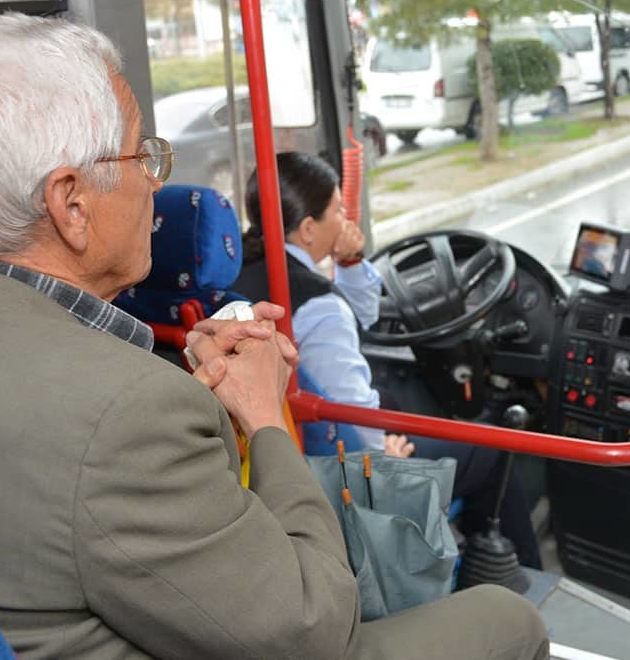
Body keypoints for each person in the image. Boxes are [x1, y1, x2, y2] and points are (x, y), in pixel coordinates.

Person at [0, 13, 548, 659]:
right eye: (138, 156)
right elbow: (316, 629)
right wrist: (266, 416)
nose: (156, 184)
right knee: (505, 617)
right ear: (71, 203)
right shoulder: (126, 413)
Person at [233, 152, 543, 570]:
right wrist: (383, 463)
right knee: (489, 448)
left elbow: (362, 316)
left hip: (273, 455)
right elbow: (352, 409)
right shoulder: (319, 308)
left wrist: (350, 262)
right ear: (308, 229)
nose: (346, 219)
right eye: (338, 209)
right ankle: (512, 573)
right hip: (342, 466)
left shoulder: (238, 276)